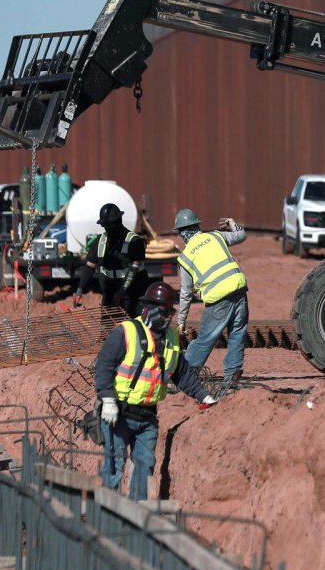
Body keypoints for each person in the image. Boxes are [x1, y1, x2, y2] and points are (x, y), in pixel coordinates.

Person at [95, 281, 217, 501]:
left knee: (144, 466)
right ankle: (106, 516)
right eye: (164, 311)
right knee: (114, 466)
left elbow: (181, 374)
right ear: (149, 309)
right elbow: (103, 366)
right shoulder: (126, 332)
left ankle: (136, 516)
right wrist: (108, 400)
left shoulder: (171, 338)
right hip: (119, 414)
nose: (169, 316)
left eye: (171, 311)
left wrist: (203, 395)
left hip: (147, 416)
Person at [173, 209, 249, 389]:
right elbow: (241, 235)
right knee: (237, 333)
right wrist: (232, 223)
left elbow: (185, 293)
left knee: (205, 339)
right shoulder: (216, 236)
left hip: (218, 299)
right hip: (238, 289)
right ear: (197, 225)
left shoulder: (185, 257)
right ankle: (232, 374)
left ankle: (185, 376)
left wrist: (181, 321)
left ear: (181, 232)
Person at [73, 203, 151, 319]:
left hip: (133, 292)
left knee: (134, 327)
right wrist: (80, 290)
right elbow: (90, 266)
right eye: (105, 226)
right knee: (107, 328)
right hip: (110, 291)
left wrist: (121, 292)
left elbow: (134, 269)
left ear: (119, 221)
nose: (108, 229)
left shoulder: (134, 242)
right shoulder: (99, 242)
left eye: (110, 225)